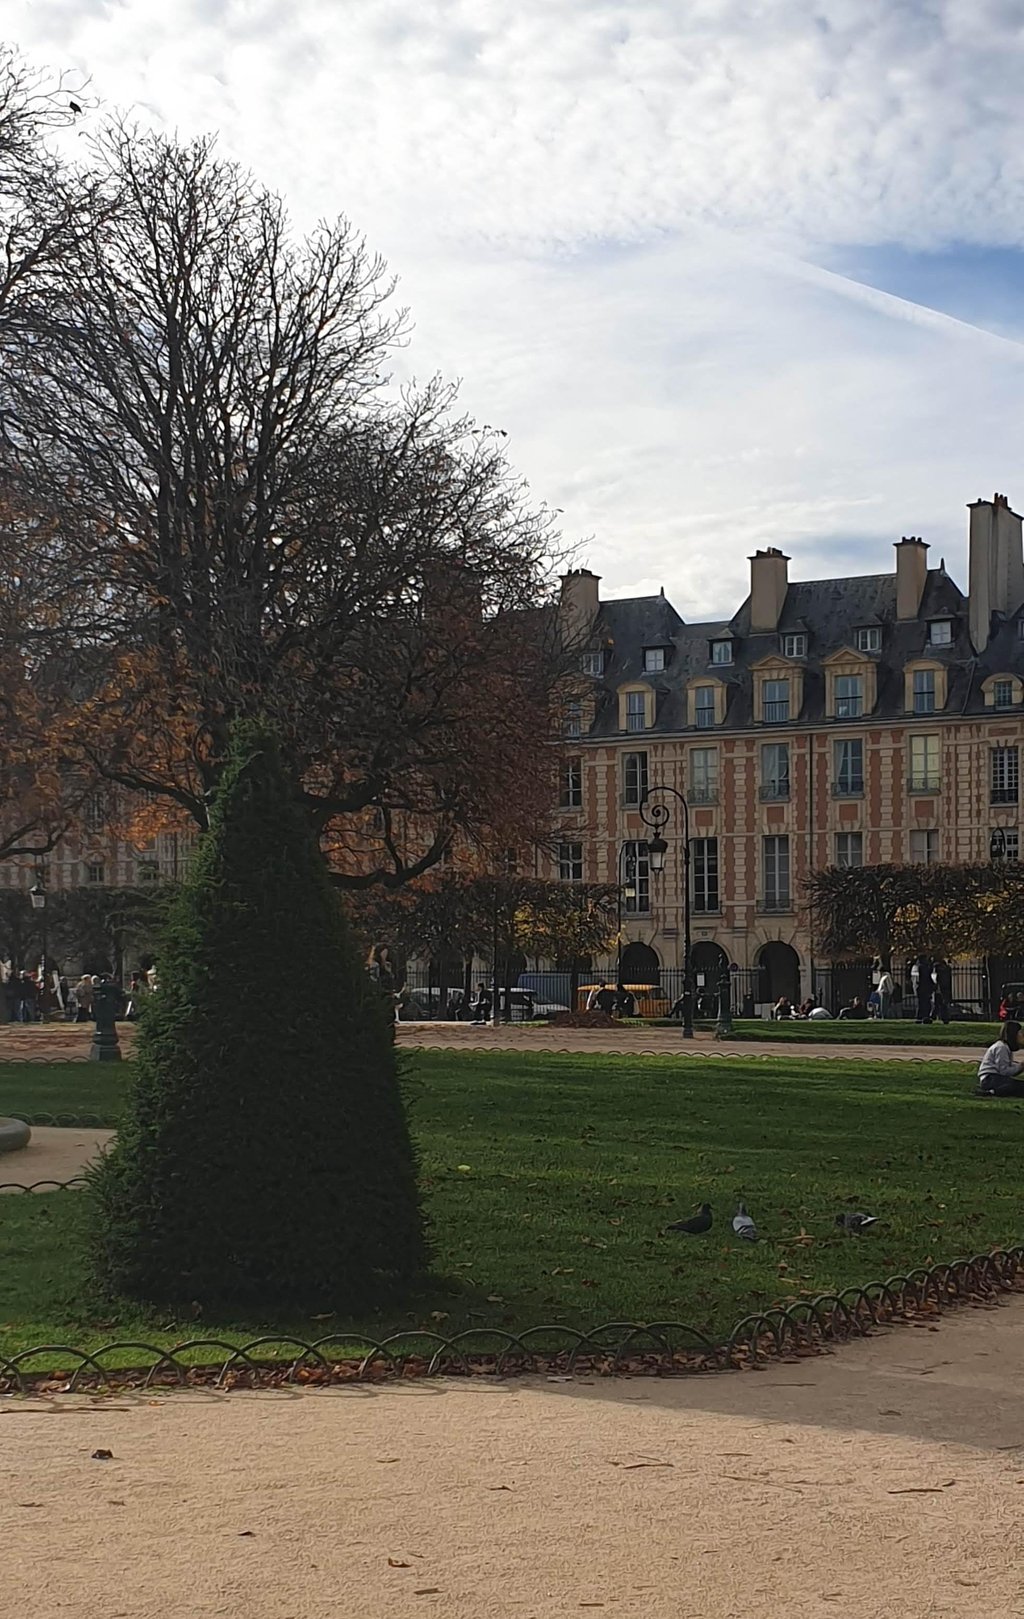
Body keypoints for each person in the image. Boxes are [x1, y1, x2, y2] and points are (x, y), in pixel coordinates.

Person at [975, 1020, 1024, 1097]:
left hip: (996, 1078)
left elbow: (1007, 1067)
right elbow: (1004, 1071)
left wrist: (1019, 1066)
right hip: (989, 1079)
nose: (1022, 1035)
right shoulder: (1001, 1047)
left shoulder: (1005, 1047)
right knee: (1016, 1086)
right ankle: (992, 1092)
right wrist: (1020, 1066)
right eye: (1020, 1033)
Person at [932, 957, 953, 1025]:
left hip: (940, 990)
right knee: (941, 1004)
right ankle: (940, 1017)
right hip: (943, 990)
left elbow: (936, 980)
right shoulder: (946, 970)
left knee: (939, 1004)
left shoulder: (940, 970)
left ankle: (935, 1016)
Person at [914, 955, 933, 1024]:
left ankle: (920, 1017)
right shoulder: (923, 967)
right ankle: (925, 1017)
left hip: (920, 988)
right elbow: (926, 978)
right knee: (925, 1003)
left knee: (921, 1003)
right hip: (924, 988)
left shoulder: (916, 967)